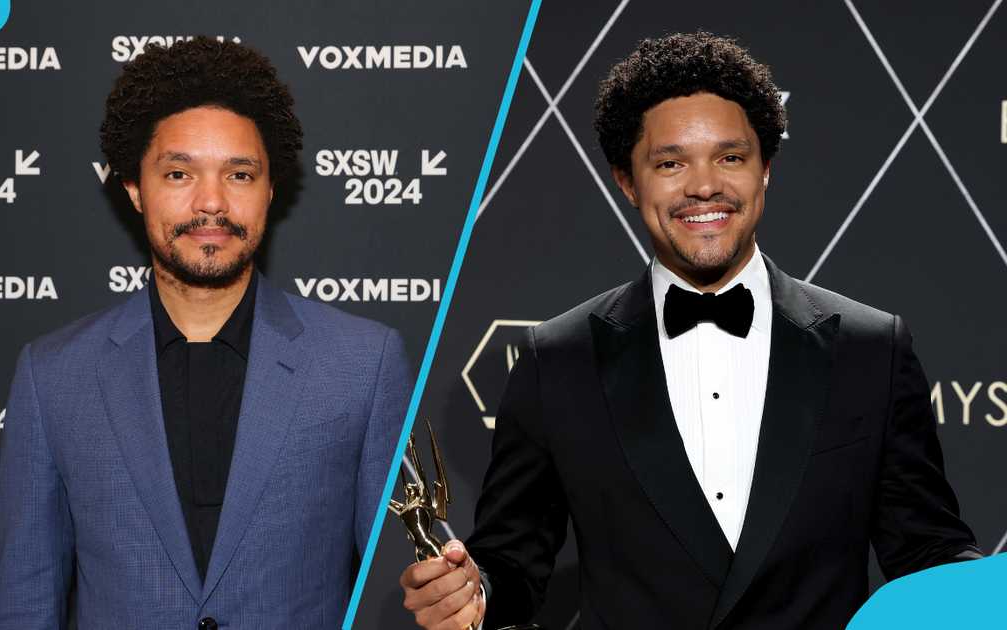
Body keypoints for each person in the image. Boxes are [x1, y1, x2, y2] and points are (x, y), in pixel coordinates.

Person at [398, 31, 980, 630]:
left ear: (765, 169)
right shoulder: (558, 360)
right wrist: (473, 595)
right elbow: (514, 567)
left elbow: (928, 559)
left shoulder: (870, 348)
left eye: (730, 157)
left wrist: (986, 595)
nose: (704, 186)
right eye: (671, 163)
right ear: (628, 180)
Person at [0, 37, 411, 629]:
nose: (211, 202)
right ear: (135, 188)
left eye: (239, 174)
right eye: (179, 172)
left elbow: (403, 592)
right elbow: (25, 605)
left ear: (270, 190)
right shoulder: (53, 374)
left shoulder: (363, 365)